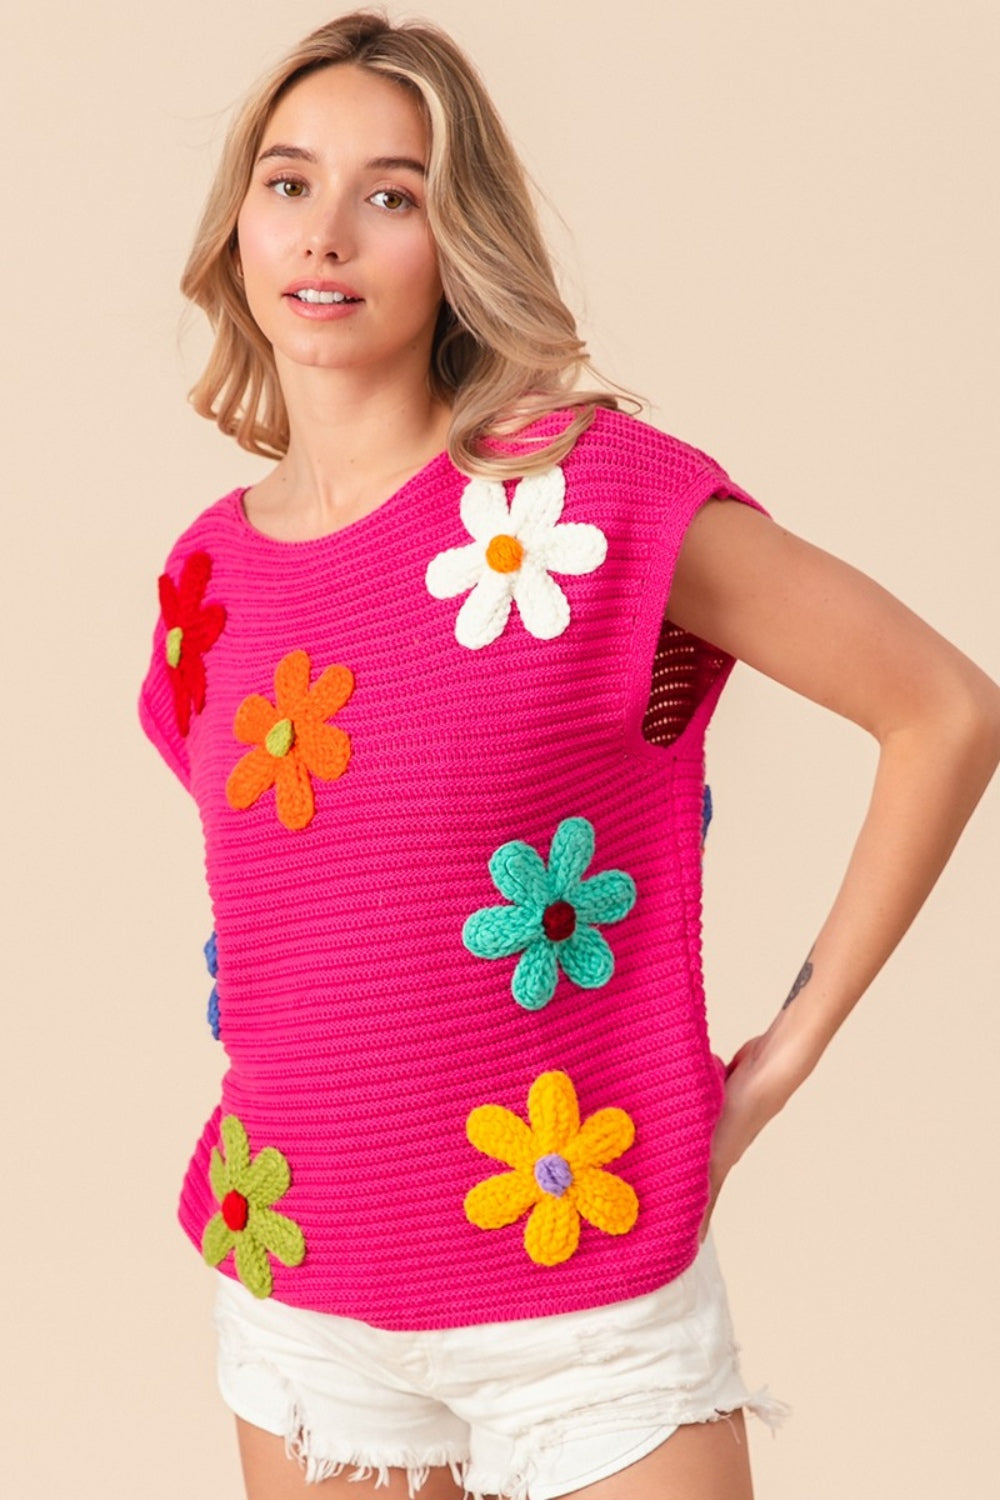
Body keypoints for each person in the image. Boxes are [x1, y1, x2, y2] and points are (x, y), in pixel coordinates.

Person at [139, 11, 1000, 1500]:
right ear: (238, 225)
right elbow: (310, 909)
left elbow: (944, 710)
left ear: (455, 241)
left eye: (391, 193)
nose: (326, 232)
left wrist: (773, 1065)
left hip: (579, 1275)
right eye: (288, 182)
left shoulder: (584, 502)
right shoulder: (206, 580)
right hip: (297, 1282)